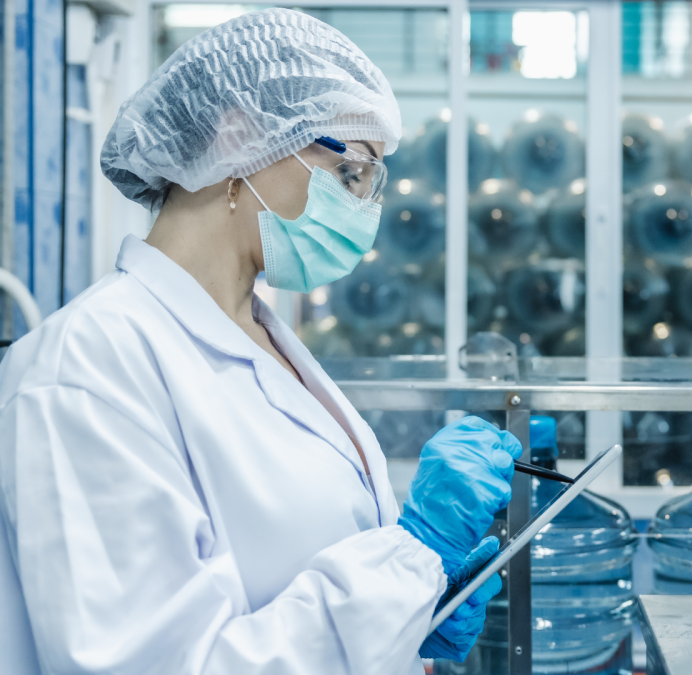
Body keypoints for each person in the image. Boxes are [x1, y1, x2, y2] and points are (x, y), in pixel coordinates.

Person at [0, 9, 521, 674]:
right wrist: (414, 556)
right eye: (350, 172)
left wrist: (418, 610)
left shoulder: (259, 336)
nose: (364, 210)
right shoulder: (83, 369)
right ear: (241, 134)